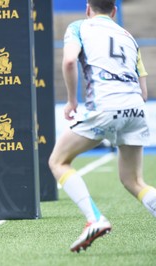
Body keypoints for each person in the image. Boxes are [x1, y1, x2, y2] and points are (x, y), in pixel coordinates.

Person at [48, 0, 156, 253]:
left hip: (106, 105)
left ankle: (94, 219)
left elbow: (69, 62)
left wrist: (72, 101)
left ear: (88, 9)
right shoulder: (128, 36)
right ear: (114, 11)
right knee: (134, 180)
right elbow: (143, 90)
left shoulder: (79, 27)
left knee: (58, 161)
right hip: (136, 108)